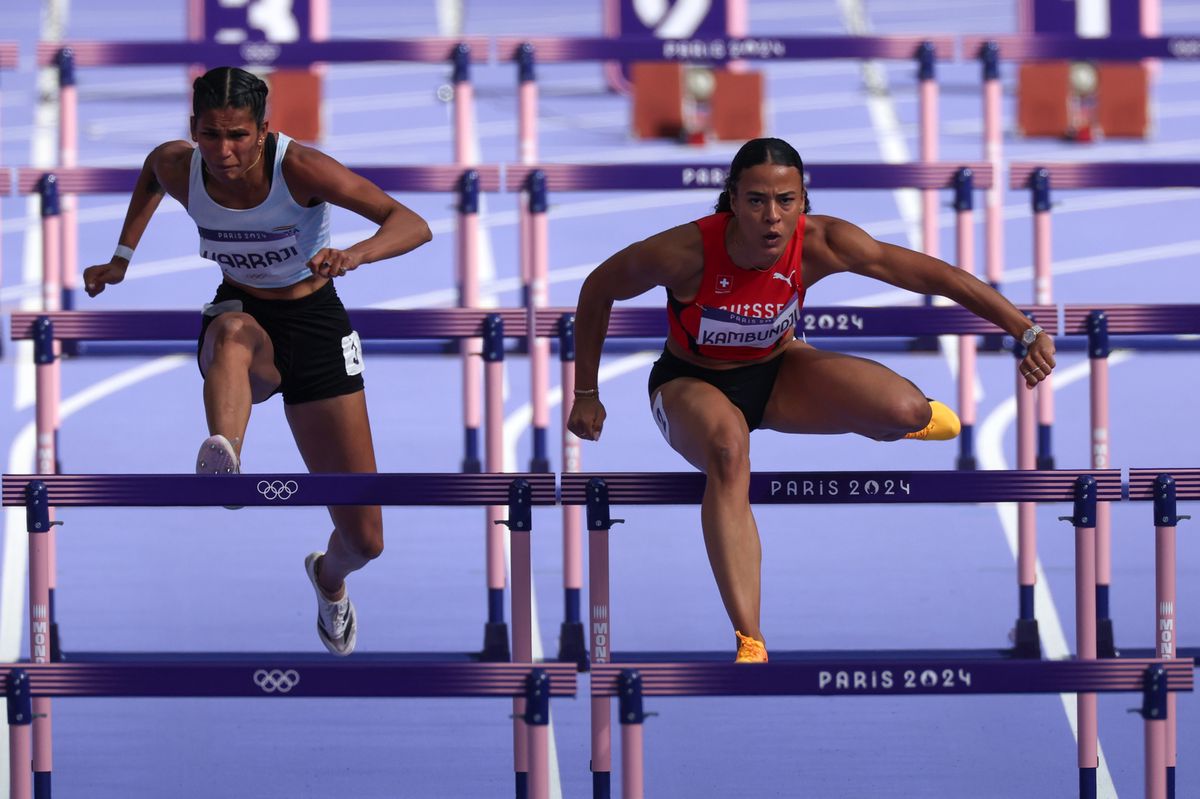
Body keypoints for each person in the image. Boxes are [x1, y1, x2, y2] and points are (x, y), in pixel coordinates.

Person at [567, 137, 1056, 663]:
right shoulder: (685, 251)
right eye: (756, 201)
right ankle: (749, 638)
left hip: (779, 374)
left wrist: (1025, 331)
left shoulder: (822, 242)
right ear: (732, 199)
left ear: (803, 201)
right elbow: (599, 287)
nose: (771, 218)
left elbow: (936, 275)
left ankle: (900, 422)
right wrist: (586, 392)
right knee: (729, 451)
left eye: (786, 201)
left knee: (905, 409)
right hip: (690, 383)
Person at [82, 67, 433, 656]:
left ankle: (328, 578)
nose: (224, 151)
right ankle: (226, 455)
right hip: (242, 310)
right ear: (193, 129)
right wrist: (121, 257)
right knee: (233, 331)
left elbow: (411, 223)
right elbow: (150, 175)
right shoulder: (176, 164)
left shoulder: (300, 168)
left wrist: (355, 253)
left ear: (264, 131)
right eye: (212, 135)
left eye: (239, 136)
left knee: (365, 539)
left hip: (316, 325)